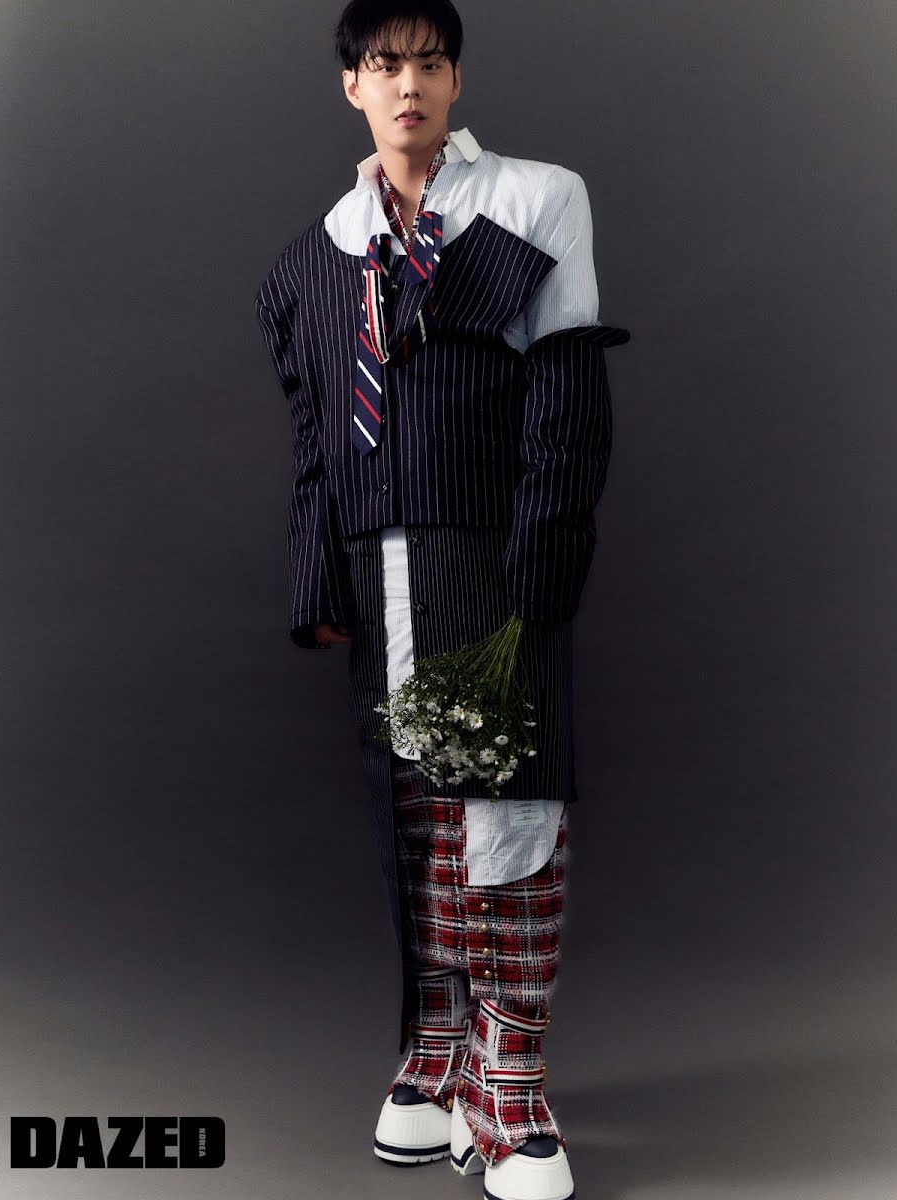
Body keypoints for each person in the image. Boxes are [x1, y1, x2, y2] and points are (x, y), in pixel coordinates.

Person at [253, 2, 630, 1195]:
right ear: (352, 87)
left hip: (493, 555)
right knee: (413, 814)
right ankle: (436, 1047)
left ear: (456, 79)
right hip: (379, 573)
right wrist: (317, 581)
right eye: (384, 64)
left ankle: (509, 1079)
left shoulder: (534, 199)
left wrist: (543, 563)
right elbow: (315, 448)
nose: (407, 83)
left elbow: (568, 399)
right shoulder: (312, 263)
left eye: (428, 62)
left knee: (508, 809)